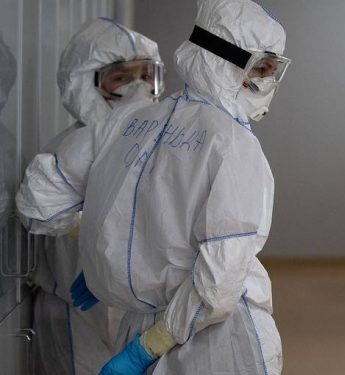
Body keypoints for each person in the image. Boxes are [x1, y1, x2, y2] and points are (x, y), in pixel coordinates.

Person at [16, 1, 289, 373]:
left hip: (189, 332)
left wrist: (143, 348)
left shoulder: (131, 121)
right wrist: (100, 242)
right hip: (206, 334)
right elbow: (218, 283)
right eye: (261, 69)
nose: (263, 84)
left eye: (271, 71)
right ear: (226, 63)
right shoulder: (230, 144)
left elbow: (40, 201)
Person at [16, 18, 164, 375]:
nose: (139, 90)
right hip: (77, 311)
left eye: (147, 76)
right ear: (86, 85)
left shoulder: (161, 146)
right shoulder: (64, 155)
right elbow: (41, 213)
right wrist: (100, 250)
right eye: (122, 79)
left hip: (136, 306)